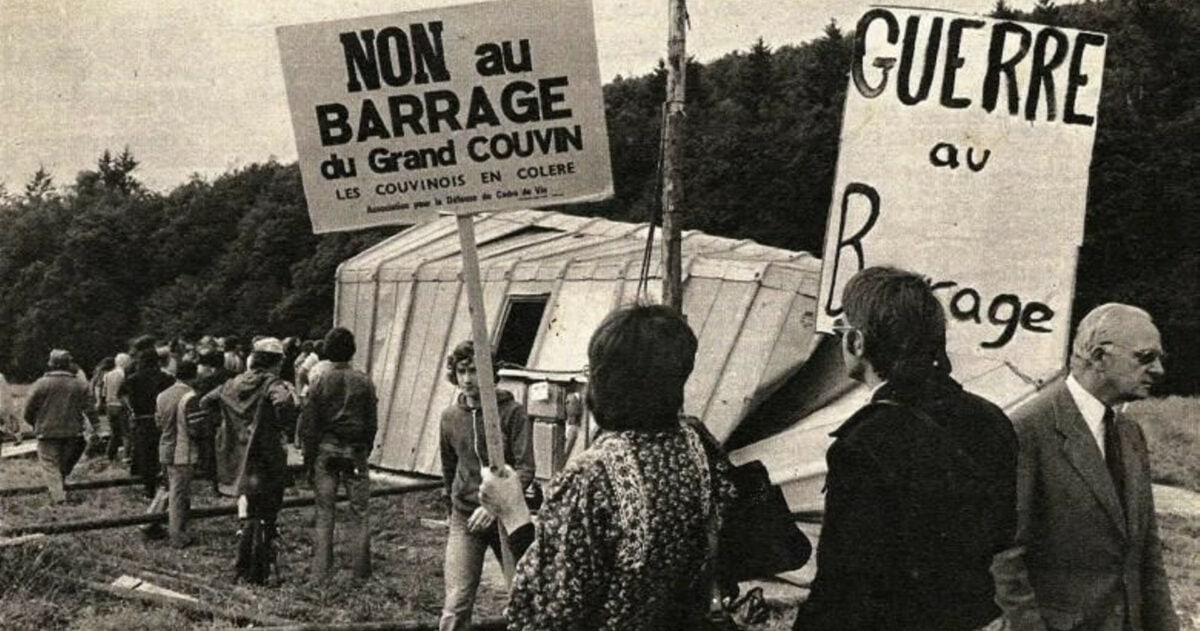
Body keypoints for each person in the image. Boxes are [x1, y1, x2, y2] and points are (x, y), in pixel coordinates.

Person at [480, 304, 737, 631]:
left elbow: (550, 611)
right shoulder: (698, 444)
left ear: (607, 381)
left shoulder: (591, 476)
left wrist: (513, 512)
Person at [792, 267, 1018, 631]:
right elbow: (1003, 532)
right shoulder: (991, 419)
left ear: (858, 343)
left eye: (841, 330)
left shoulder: (864, 443)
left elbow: (845, 583)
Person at [993, 304, 1179, 631]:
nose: (1159, 370)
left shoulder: (1130, 435)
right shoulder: (1027, 429)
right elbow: (1004, 560)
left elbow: (1147, 555)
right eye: (1145, 357)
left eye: (1160, 358)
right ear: (1097, 356)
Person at [438, 339, 535, 631]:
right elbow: (449, 468)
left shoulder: (512, 413)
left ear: (491, 373)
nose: (468, 379)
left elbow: (526, 468)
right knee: (456, 603)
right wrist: (450, 506)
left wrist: (494, 507)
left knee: (522, 595)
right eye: (462, 371)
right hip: (465, 516)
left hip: (506, 518)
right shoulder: (450, 418)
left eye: (475, 371)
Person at [203, 337, 298, 584]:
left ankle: (244, 566)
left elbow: (206, 401)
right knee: (268, 513)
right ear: (276, 362)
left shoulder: (232, 383)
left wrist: (228, 427)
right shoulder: (271, 383)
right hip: (267, 456)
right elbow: (285, 403)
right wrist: (280, 426)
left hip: (240, 457)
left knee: (250, 510)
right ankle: (258, 568)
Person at [298, 327, 379, 580]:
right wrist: (364, 448)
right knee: (360, 511)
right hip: (355, 450)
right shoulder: (364, 380)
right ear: (352, 350)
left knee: (325, 511)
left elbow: (310, 424)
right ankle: (362, 571)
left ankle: (321, 572)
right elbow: (372, 422)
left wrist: (308, 459)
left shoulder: (319, 380)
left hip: (327, 448)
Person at [144, 360, 204, 547]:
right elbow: (196, 429)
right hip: (182, 450)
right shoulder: (191, 397)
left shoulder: (162, 395)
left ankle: (148, 522)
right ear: (194, 376)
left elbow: (158, 422)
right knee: (179, 494)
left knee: (168, 488)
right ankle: (177, 534)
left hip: (165, 446)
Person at [23, 350, 93, 504]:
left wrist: (35, 423)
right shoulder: (79, 384)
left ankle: (59, 499)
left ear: (51, 363)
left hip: (47, 431)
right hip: (73, 431)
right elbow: (89, 407)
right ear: (69, 364)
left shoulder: (41, 383)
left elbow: (28, 409)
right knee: (62, 464)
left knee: (50, 465)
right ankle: (60, 489)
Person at [120, 348, 176, 497]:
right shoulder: (166, 378)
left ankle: (149, 487)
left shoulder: (133, 379)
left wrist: (131, 409)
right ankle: (167, 483)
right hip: (163, 418)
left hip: (142, 419)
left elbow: (122, 395)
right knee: (164, 451)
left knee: (146, 453)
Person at [104, 352, 132, 462]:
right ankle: (126, 456)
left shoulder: (108, 375)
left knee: (114, 433)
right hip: (121, 405)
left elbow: (105, 391)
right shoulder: (124, 375)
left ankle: (110, 454)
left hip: (109, 405)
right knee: (126, 433)